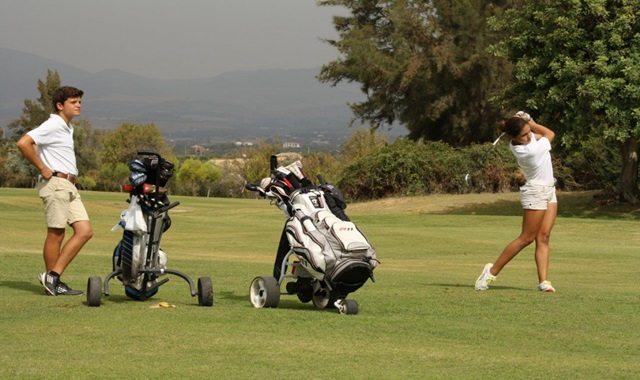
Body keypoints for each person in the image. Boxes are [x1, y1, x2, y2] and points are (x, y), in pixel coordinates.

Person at [16, 86, 93, 296]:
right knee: (57, 233)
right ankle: (52, 280)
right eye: (73, 102)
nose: (78, 105)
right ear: (60, 105)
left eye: (79, 101)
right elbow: (24, 143)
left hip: (69, 185)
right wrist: (42, 167)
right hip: (56, 184)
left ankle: (53, 276)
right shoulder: (54, 124)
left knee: (85, 231)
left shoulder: (67, 127)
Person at [475, 111, 558, 292]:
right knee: (526, 238)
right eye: (524, 135)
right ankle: (491, 271)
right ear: (513, 137)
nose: (529, 136)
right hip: (535, 192)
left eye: (529, 132)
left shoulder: (524, 140)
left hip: (549, 189)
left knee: (543, 237)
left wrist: (525, 123)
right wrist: (528, 120)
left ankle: (543, 282)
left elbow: (537, 136)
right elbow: (549, 134)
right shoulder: (529, 151)